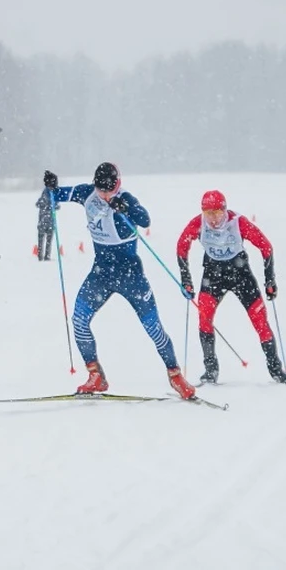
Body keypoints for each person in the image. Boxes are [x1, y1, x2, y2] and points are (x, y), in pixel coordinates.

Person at [38, 163, 195, 399]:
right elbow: (56, 195)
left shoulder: (126, 198)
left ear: (118, 185)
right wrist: (51, 186)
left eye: (110, 191)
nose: (105, 195)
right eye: (102, 191)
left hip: (131, 275)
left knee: (153, 327)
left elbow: (145, 220)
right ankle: (95, 376)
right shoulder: (86, 193)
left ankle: (175, 376)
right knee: (79, 320)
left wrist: (125, 209)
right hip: (101, 273)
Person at [176, 190, 286, 385]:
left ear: (225, 210)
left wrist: (270, 280)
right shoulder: (197, 224)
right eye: (208, 214)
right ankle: (210, 370)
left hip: (241, 275)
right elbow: (181, 247)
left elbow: (266, 247)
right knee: (204, 319)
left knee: (260, 322)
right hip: (213, 275)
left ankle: (276, 370)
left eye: (217, 213)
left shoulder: (238, 222)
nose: (213, 219)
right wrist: (186, 279)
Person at [35, 189, 59, 261]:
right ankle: (46, 256)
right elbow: (57, 206)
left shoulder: (44, 200)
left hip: (43, 223)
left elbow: (37, 204)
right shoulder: (52, 200)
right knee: (47, 241)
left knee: (41, 241)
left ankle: (42, 256)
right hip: (48, 224)